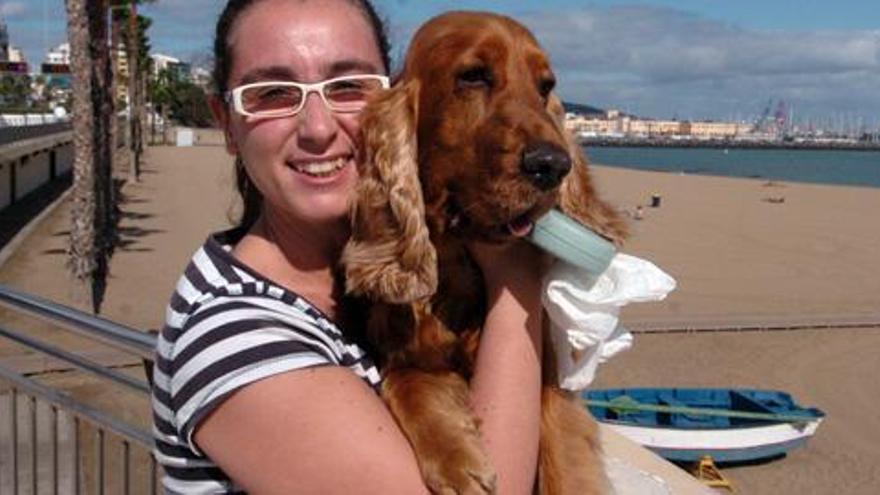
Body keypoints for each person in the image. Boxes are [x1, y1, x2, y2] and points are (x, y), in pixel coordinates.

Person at [151, 1, 545, 493]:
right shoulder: (233, 336)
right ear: (227, 123)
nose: (317, 129)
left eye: (348, 86)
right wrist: (517, 277)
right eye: (272, 92)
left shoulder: (401, 287)